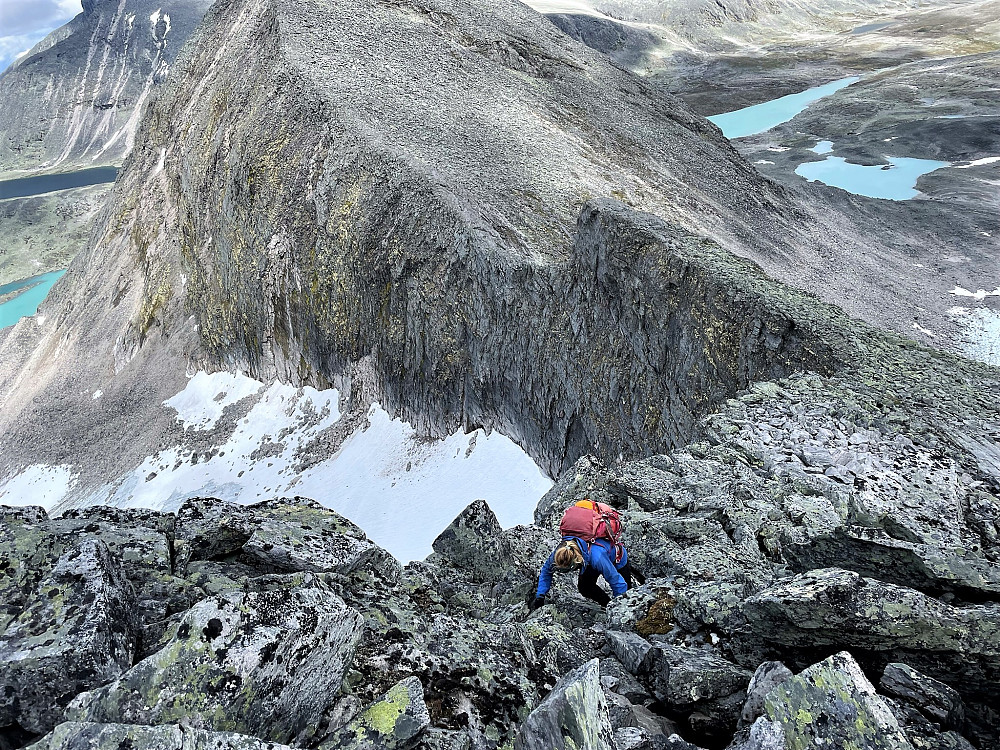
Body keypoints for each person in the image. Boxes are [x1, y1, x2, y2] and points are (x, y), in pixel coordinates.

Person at [530, 536, 645, 609]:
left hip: (617, 559)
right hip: (587, 562)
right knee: (585, 588)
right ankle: (606, 604)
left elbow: (617, 581)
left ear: (576, 561)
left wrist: (619, 609)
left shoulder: (597, 557)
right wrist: (540, 595)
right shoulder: (561, 552)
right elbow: (546, 571)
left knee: (627, 592)